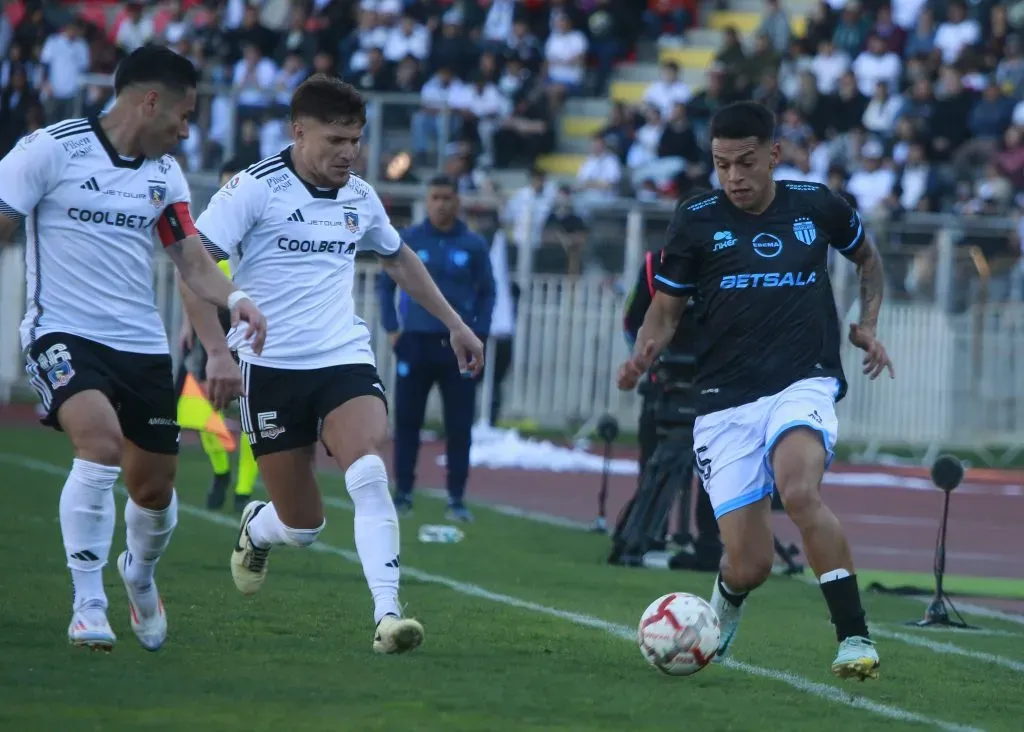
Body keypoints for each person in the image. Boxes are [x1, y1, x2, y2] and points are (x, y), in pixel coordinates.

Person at [182, 74, 484, 654]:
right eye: (335, 139)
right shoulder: (254, 188)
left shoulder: (360, 196)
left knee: (369, 468)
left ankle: (388, 615)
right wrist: (217, 351)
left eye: (356, 139)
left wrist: (455, 323)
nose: (348, 152)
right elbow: (193, 267)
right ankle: (259, 527)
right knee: (303, 525)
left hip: (341, 357)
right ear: (299, 132)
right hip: (269, 368)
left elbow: (399, 260)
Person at [0, 44, 267, 652]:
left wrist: (238, 302)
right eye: (185, 115)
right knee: (98, 444)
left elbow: (193, 263)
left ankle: (139, 576)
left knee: (153, 490)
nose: (186, 129)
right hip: (62, 331)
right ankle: (88, 603)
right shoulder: (50, 150)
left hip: (140, 346)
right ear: (152, 101)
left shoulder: (164, 174)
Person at [616, 101, 894, 680]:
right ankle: (726, 603)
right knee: (750, 565)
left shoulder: (816, 205)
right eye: (722, 165)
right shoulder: (694, 218)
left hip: (803, 379)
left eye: (746, 162)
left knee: (797, 490)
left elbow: (868, 260)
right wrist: (644, 351)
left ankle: (854, 639)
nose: (734, 177)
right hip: (723, 400)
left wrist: (868, 323)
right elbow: (664, 313)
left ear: (773, 154)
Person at [377, 175, 495, 523]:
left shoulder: (473, 244)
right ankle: (403, 493)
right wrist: (392, 328)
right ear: (426, 201)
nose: (441, 204)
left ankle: (456, 498)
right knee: (407, 421)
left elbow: (488, 291)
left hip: (456, 347)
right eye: (435, 197)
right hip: (414, 341)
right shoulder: (409, 239)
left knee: (459, 424)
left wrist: (481, 332)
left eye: (447, 197)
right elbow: (386, 285)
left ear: (458, 200)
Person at [621, 248, 721, 570]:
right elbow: (634, 321)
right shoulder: (657, 263)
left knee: (697, 465)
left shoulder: (658, 261)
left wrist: (644, 358)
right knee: (712, 467)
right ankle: (704, 540)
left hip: (693, 379)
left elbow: (631, 322)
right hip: (684, 379)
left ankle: (654, 536)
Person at [176, 159, 260, 513]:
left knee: (252, 416)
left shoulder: (262, 227)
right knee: (197, 408)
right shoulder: (211, 228)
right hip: (214, 327)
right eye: (227, 185)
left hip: (251, 331)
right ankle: (221, 470)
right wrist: (187, 325)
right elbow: (193, 277)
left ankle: (243, 491)